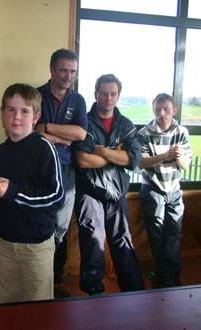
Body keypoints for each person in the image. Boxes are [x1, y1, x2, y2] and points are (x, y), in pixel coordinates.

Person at [0, 83, 64, 303]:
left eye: (25, 111)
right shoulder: (1, 152)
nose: (17, 117)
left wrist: (12, 192)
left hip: (35, 246)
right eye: (11, 110)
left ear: (36, 117)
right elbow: (2, 199)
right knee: (8, 302)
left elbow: (55, 195)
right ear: (2, 113)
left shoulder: (44, 147)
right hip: (4, 243)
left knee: (38, 307)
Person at [71, 74, 145, 295]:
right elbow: (83, 160)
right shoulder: (84, 122)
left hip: (116, 192)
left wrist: (101, 151)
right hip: (89, 191)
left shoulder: (126, 125)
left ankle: (134, 293)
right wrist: (115, 154)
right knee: (92, 240)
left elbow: (133, 160)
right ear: (96, 94)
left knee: (123, 242)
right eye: (104, 93)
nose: (108, 98)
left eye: (113, 94)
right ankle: (93, 293)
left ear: (118, 96)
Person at [34, 49, 88, 298]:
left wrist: (48, 128)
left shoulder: (77, 100)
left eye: (72, 71)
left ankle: (55, 281)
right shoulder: (35, 95)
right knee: (39, 222)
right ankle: (38, 279)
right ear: (52, 69)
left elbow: (80, 134)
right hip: (39, 169)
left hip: (66, 171)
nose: (68, 75)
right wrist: (58, 137)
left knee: (61, 227)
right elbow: (31, 132)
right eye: (64, 70)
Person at [138, 93, 192, 288]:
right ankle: (167, 275)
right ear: (153, 111)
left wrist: (178, 157)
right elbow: (141, 163)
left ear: (174, 111)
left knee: (174, 233)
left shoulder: (182, 132)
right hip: (153, 188)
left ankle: (169, 274)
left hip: (175, 189)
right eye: (158, 110)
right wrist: (165, 155)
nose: (162, 114)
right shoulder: (144, 133)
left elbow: (185, 165)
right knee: (158, 233)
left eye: (166, 110)